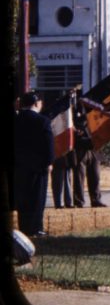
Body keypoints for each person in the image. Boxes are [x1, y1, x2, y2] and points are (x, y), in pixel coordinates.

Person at [14, 92, 54, 236]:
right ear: (36, 104)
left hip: (19, 166)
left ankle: (24, 227)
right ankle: (36, 228)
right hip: (38, 166)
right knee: (37, 198)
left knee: (22, 198)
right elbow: (48, 144)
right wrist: (50, 161)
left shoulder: (16, 120)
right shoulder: (43, 121)